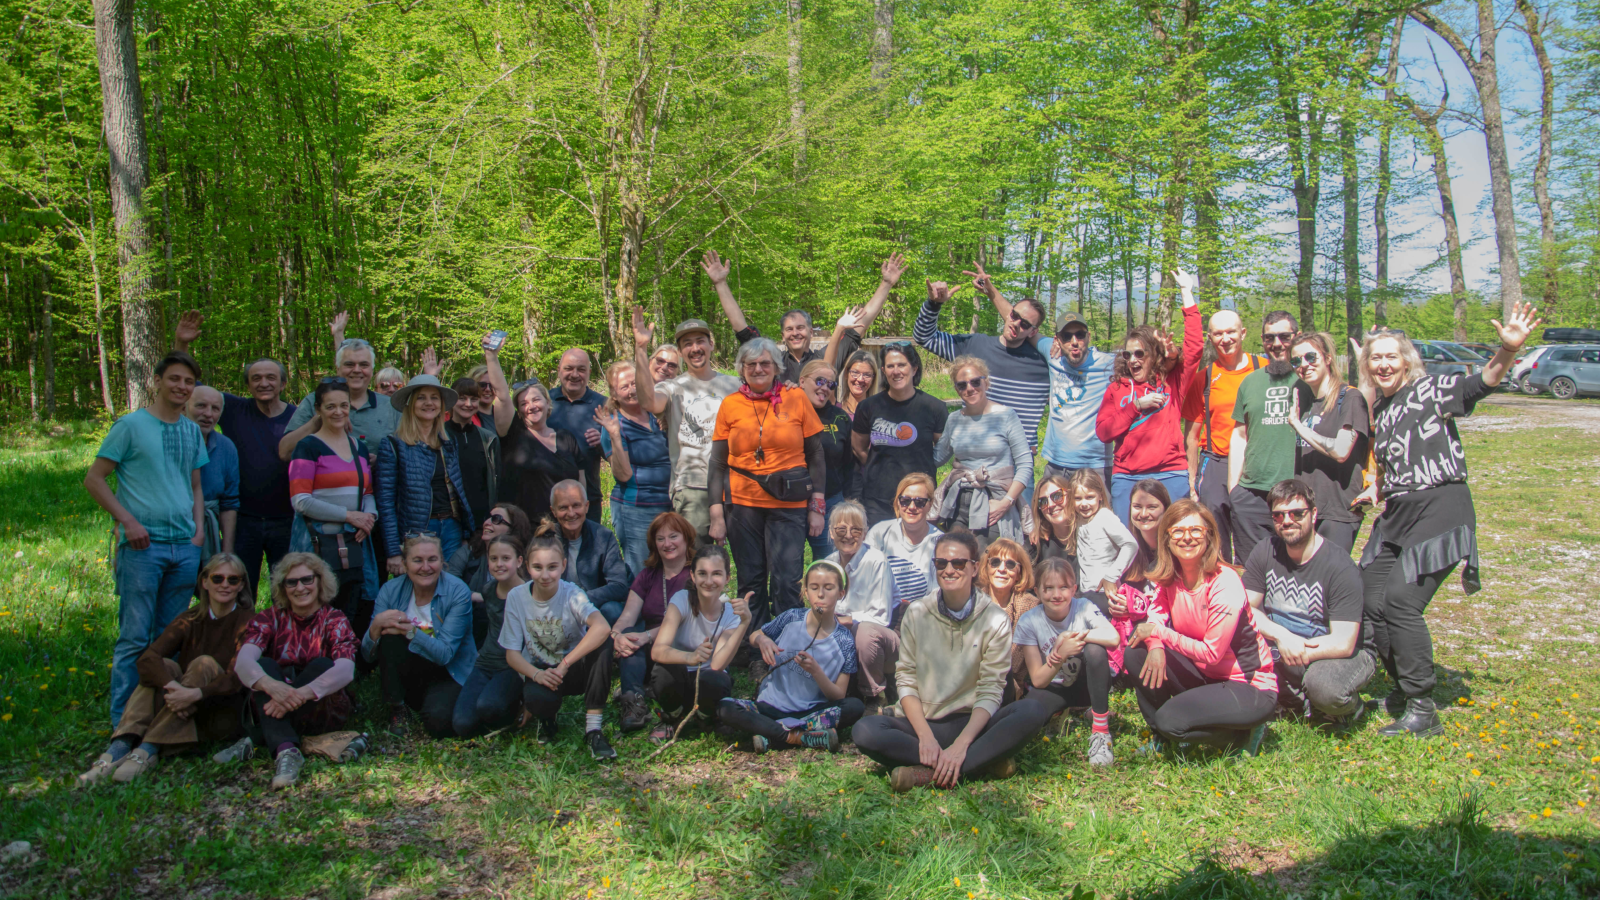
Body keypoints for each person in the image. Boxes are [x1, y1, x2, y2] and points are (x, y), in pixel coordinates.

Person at [1358, 304, 1538, 737]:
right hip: (1398, 512)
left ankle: (1423, 707)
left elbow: (1483, 382)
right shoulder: (1381, 409)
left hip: (1440, 507)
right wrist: (1377, 487)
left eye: (1391, 356)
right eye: (1375, 358)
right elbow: (1398, 459)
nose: (1383, 364)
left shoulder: (1429, 391)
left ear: (1407, 360)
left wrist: (1507, 351)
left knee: (1402, 601)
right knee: (1371, 599)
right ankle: (1402, 689)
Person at [853, 531, 1043, 792]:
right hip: (926, 721)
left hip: (973, 722)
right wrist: (925, 737)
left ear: (974, 568)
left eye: (958, 563)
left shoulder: (994, 619)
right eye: (941, 563)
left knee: (1031, 711)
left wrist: (962, 744)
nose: (949, 569)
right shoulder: (917, 613)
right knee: (865, 731)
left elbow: (991, 688)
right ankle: (982, 762)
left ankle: (934, 772)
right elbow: (906, 680)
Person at [85, 350, 209, 726]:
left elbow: (195, 485)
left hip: (184, 548)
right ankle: (122, 722)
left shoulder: (191, 429)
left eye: (188, 382)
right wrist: (127, 520)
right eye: (174, 379)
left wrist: (199, 532)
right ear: (157, 381)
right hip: (143, 547)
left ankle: (156, 717)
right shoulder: (131, 426)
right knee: (135, 638)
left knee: (169, 639)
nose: (181, 387)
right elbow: (94, 479)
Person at [78, 553, 255, 785]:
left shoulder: (250, 621)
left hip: (218, 710)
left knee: (204, 663)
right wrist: (173, 689)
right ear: (204, 582)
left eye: (233, 580)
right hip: (182, 706)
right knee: (164, 666)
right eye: (217, 578)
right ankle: (119, 748)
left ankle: (147, 749)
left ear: (241, 585)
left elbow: (237, 678)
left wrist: (195, 694)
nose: (225, 585)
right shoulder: (190, 618)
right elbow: (147, 659)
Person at [1122, 500, 1277, 754]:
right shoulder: (1171, 576)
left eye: (1196, 530)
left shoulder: (1224, 582)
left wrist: (1160, 634)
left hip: (1248, 685)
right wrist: (1156, 644)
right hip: (1206, 677)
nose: (1187, 538)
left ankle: (1242, 734)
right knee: (1137, 651)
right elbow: (1154, 620)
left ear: (1209, 537)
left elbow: (1212, 653)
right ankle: (1163, 739)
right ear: (1167, 539)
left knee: (1170, 720)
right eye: (1178, 531)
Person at [173, 313, 298, 598]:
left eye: (270, 377)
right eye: (256, 378)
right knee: (240, 593)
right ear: (248, 384)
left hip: (287, 521)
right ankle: (241, 640)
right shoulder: (232, 408)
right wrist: (182, 343)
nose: (263, 383)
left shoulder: (298, 416)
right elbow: (186, 387)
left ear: (282, 383)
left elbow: (334, 403)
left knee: (289, 592)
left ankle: (283, 641)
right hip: (243, 521)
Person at [707, 337, 825, 628]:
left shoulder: (796, 398)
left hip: (789, 503)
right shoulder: (730, 405)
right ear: (742, 369)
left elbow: (816, 454)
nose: (758, 369)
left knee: (787, 578)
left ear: (776, 367)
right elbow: (717, 463)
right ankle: (755, 643)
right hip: (743, 506)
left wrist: (817, 505)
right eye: (751, 364)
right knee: (751, 578)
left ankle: (788, 639)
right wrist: (716, 514)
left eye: (765, 363)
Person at [1244, 479, 1373, 728]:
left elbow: (1344, 643)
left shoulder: (1340, 566)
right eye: (1279, 515)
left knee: (1324, 688)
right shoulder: (1265, 551)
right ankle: (1297, 698)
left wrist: (1291, 649)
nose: (1287, 521)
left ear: (1313, 515)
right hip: (1286, 645)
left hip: (1337, 652)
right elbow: (1247, 608)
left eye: (1296, 513)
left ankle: (1349, 706)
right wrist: (1282, 638)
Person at [232, 553, 359, 789]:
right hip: (277, 698)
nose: (300, 587)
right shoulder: (268, 618)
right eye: (292, 582)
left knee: (323, 665)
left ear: (320, 582)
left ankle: (259, 737)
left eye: (307, 580)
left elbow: (346, 670)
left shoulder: (335, 619)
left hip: (322, 710)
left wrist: (298, 694)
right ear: (283, 587)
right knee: (264, 667)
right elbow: (243, 662)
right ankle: (288, 751)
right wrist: (271, 686)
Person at [721, 559, 865, 752]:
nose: (820, 594)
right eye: (814, 587)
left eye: (828, 588)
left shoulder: (845, 640)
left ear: (841, 593)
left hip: (810, 713)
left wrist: (816, 672)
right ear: (805, 592)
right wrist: (763, 641)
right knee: (725, 707)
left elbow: (838, 695)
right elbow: (757, 635)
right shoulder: (792, 617)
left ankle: (772, 736)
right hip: (769, 707)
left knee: (855, 706)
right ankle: (796, 737)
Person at [499, 523, 616, 759]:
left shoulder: (572, 592)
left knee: (604, 642)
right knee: (537, 700)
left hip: (574, 668)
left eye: (552, 567)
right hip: (542, 671)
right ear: (526, 567)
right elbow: (511, 653)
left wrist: (564, 665)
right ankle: (547, 718)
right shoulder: (516, 597)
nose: (545, 575)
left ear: (563, 566)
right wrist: (536, 674)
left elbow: (602, 626)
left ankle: (593, 728)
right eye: (537, 567)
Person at [1095, 270, 1202, 525]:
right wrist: (1134, 407)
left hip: (1170, 474)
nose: (1133, 360)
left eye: (1140, 354)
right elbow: (1103, 432)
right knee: (1130, 545)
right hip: (1127, 478)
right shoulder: (1118, 389)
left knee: (1174, 539)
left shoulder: (1173, 383)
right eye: (1127, 355)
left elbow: (1195, 348)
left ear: (1155, 355)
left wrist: (1187, 292)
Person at [711, 250, 907, 385]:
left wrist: (886, 284)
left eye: (800, 328)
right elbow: (742, 329)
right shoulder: (772, 360)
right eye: (789, 329)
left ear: (811, 332)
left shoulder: (825, 356)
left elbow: (861, 323)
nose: (795, 333)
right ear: (782, 335)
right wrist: (720, 283)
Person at [631, 307, 740, 545]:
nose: (695, 348)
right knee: (696, 562)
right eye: (687, 344)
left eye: (700, 341)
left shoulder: (735, 385)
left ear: (711, 344)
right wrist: (640, 349)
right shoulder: (672, 388)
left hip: (737, 485)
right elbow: (648, 401)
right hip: (693, 487)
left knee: (748, 563)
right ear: (680, 352)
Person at [916, 263, 1051, 451]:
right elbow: (925, 337)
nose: (1016, 324)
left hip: (1019, 465)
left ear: (1033, 332)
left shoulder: (1045, 364)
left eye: (1025, 324)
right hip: (973, 460)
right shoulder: (974, 346)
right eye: (1014, 315)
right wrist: (934, 304)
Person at [287, 378, 378, 638]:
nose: (338, 412)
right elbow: (301, 501)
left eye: (343, 405)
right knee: (314, 606)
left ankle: (343, 661)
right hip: (317, 541)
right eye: (330, 407)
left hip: (353, 541)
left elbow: (367, 493)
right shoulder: (307, 447)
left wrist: (369, 518)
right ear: (318, 409)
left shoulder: (358, 447)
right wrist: (350, 516)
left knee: (349, 607)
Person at [361, 533, 475, 737]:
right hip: (409, 669)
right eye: (417, 560)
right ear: (404, 564)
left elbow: (445, 655)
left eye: (432, 559)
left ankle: (427, 704)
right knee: (389, 636)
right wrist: (375, 627)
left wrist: (410, 630)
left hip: (448, 672)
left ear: (442, 561)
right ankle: (398, 706)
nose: (425, 567)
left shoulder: (458, 591)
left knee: (439, 725)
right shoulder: (390, 590)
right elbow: (367, 655)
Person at [1013, 558, 1120, 766]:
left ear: (1074, 589)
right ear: (1037, 591)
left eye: (1063, 587)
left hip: (1087, 686)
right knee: (1030, 717)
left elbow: (1113, 638)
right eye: (1049, 588)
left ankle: (1100, 731)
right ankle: (1061, 712)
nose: (1056, 595)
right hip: (1054, 687)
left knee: (1096, 649)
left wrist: (1071, 635)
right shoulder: (1029, 621)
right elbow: (1037, 680)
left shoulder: (1083, 607)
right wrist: (1061, 654)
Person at [1227, 312, 1315, 563]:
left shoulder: (1309, 379)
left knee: (1298, 567)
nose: (1276, 344)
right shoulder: (1250, 382)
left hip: (1296, 493)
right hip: (1252, 494)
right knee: (1253, 568)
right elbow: (1240, 434)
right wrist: (1235, 489)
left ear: (1296, 337)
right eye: (1269, 337)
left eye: (1284, 337)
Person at [1182, 308, 1265, 564]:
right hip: (1217, 462)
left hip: (1257, 462)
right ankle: (1221, 585)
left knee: (1253, 530)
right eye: (1218, 333)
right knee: (1214, 534)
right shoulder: (1205, 378)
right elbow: (1192, 436)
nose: (1225, 339)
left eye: (1231, 332)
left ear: (1243, 333)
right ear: (1210, 337)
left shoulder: (1264, 369)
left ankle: (1255, 587)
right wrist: (1193, 479)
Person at [645, 544, 753, 742]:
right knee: (663, 671)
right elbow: (658, 650)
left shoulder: (731, 614)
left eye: (717, 574)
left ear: (728, 578)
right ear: (693, 577)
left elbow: (718, 664)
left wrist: (744, 623)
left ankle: (704, 716)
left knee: (716, 678)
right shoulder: (681, 600)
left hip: (707, 683)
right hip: (679, 680)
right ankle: (674, 717)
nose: (709, 581)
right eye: (702, 574)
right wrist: (691, 657)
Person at [483, 335, 586, 526]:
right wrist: (492, 356)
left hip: (564, 526)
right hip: (522, 529)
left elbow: (580, 482)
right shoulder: (513, 434)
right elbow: (503, 396)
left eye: (536, 400)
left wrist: (580, 516)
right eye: (523, 403)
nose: (531, 406)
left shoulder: (565, 438)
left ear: (548, 403)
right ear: (520, 412)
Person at [377, 375, 475, 574]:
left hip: (451, 527)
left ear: (441, 405)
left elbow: (458, 490)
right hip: (417, 531)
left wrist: (466, 531)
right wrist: (393, 551)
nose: (428, 403)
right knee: (420, 589)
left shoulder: (447, 443)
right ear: (411, 404)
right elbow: (385, 503)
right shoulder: (394, 445)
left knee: (451, 588)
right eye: (421, 398)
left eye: (434, 398)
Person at [932, 356, 1032, 546]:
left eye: (975, 382)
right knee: (958, 557)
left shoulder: (1006, 416)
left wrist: (1006, 503)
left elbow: (1025, 465)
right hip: (960, 500)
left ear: (986, 382)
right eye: (962, 385)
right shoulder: (954, 420)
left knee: (987, 560)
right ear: (957, 390)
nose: (969, 388)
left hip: (994, 499)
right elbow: (937, 458)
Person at [1285, 333, 1371, 553]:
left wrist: (1298, 426)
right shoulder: (1305, 402)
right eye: (1296, 361)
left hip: (1338, 510)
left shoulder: (1349, 398)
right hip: (1307, 509)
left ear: (1327, 358)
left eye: (1311, 357)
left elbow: (1341, 451)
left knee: (1331, 578)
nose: (1304, 365)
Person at [612, 512, 697, 732]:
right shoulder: (648, 575)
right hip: (650, 647)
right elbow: (628, 615)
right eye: (661, 539)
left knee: (637, 638)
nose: (667, 543)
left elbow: (687, 622)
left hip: (682, 646)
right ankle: (634, 702)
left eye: (673, 536)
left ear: (686, 538)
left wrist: (645, 636)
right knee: (629, 633)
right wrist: (616, 636)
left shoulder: (696, 575)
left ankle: (645, 688)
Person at [850, 342, 947, 525]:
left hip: (918, 499)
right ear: (884, 370)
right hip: (877, 499)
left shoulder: (934, 407)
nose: (896, 371)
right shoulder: (868, 407)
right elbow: (858, 447)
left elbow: (942, 451)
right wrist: (879, 469)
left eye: (902, 365)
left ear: (914, 368)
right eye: (890, 366)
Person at [595, 360, 672, 574]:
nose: (631, 390)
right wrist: (616, 438)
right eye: (624, 387)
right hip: (637, 507)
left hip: (669, 503)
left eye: (634, 383)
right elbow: (623, 474)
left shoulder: (655, 415)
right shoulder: (614, 424)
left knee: (670, 570)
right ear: (614, 394)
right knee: (643, 572)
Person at [451, 534, 529, 737]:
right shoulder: (488, 590)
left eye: (506, 558)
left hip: (513, 667)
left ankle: (514, 705)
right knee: (462, 724)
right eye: (494, 559)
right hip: (485, 664)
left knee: (489, 707)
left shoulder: (529, 594)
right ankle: (490, 711)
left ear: (519, 561)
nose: (499, 564)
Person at [278, 336, 399, 464]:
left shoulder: (391, 406)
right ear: (338, 368)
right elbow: (284, 452)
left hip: (377, 482)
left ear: (372, 370)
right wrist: (321, 419)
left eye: (364, 365)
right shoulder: (314, 400)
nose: (357, 370)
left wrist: (382, 460)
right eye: (349, 364)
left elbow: (409, 455)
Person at [822, 501, 894, 712]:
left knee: (864, 633)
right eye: (841, 529)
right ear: (831, 533)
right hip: (838, 632)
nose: (848, 535)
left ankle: (873, 695)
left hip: (874, 636)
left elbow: (881, 617)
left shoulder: (876, 561)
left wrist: (845, 620)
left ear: (865, 533)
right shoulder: (828, 563)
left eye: (856, 529)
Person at [1037, 309, 1115, 484]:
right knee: (1049, 511)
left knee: (1099, 512)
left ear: (1088, 337)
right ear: (1057, 340)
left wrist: (1169, 352)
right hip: (1056, 465)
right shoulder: (1053, 356)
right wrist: (990, 290)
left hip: (1096, 466)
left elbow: (1145, 359)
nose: (1074, 342)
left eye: (1080, 335)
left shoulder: (1108, 364)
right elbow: (1020, 322)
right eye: (1067, 336)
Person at [1108, 479, 1172, 686]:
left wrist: (1135, 607)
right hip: (1134, 628)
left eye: (1152, 507)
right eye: (1137, 507)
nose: (1143, 514)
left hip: (1166, 628)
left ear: (1165, 510)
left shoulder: (1174, 549)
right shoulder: (1125, 549)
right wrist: (1116, 602)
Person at [447, 503, 533, 647]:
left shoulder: (525, 560)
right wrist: (479, 596)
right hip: (470, 624)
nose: (487, 522)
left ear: (513, 529)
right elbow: (448, 585)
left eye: (496, 519)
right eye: (488, 518)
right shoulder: (468, 552)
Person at [548, 480, 630, 623]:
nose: (571, 513)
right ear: (553, 511)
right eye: (563, 508)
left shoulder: (603, 536)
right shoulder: (546, 539)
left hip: (593, 608)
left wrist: (580, 598)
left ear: (586, 506)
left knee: (613, 610)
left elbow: (620, 585)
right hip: (554, 607)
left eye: (576, 505)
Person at [864, 473, 944, 608]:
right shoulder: (879, 533)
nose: (912, 507)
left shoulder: (940, 542)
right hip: (881, 612)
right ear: (897, 501)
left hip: (923, 615)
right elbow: (865, 578)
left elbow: (938, 594)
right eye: (905, 500)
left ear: (930, 505)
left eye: (919, 502)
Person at [800, 359, 854, 559]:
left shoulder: (840, 418)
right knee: (788, 571)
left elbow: (849, 464)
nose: (825, 388)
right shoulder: (785, 412)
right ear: (802, 381)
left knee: (829, 563)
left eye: (831, 384)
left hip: (831, 502)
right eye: (820, 381)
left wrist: (849, 502)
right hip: (790, 504)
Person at [548, 348, 608, 522]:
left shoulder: (603, 404)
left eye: (581, 369)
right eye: (568, 368)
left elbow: (617, 457)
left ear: (589, 372)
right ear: (559, 370)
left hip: (588, 499)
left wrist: (602, 443)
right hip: (547, 498)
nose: (574, 374)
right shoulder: (544, 402)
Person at [978, 538, 1040, 705]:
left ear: (1019, 572)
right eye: (995, 562)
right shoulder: (973, 600)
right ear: (986, 567)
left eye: (1010, 564)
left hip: (1007, 684)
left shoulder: (1030, 605)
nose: (1002, 569)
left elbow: (1015, 661)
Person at [1063, 470, 1138, 602]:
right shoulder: (1078, 518)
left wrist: (1112, 576)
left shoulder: (1105, 516)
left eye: (1090, 497)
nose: (1084, 503)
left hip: (1104, 591)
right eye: (1078, 498)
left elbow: (1130, 544)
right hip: (1085, 591)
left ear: (1101, 496)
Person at [186, 385, 239, 561]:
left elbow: (229, 502)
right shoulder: (168, 442)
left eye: (215, 409)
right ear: (185, 406)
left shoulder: (226, 447)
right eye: (201, 406)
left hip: (210, 532)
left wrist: (227, 552)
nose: (208, 414)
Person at [446, 377, 501, 534]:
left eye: (473, 399)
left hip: (481, 520)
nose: (468, 404)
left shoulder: (488, 438)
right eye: (462, 398)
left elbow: (495, 481)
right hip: (451, 520)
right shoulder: (439, 435)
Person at [1027, 473, 1076, 568]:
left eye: (1057, 496)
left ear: (1070, 496)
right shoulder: (1036, 544)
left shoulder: (1090, 535)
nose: (1050, 505)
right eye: (1043, 501)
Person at [832, 348, 881, 418]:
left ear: (873, 379)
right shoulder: (835, 410)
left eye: (867, 375)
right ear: (846, 373)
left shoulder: (878, 415)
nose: (860, 379)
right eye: (855, 372)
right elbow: (828, 365)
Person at [467, 363, 498, 432]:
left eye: (492, 385)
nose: (488, 389)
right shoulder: (463, 415)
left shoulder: (503, 416)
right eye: (482, 385)